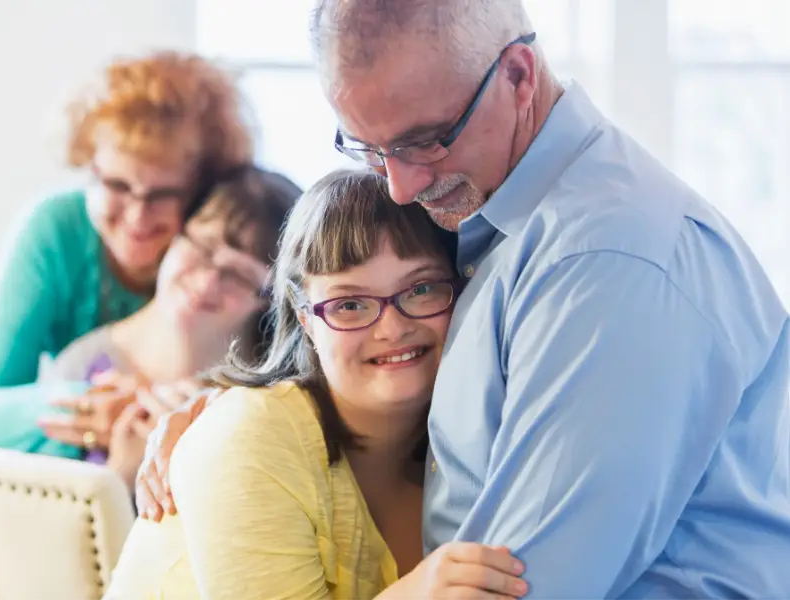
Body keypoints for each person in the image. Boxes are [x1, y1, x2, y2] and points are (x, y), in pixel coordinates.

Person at [138, 1, 790, 598]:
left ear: (518, 75)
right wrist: (242, 419)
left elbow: (519, 586)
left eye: (423, 140)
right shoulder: (487, 213)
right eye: (368, 147)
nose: (398, 185)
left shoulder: (599, 262)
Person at [104, 169, 528, 600]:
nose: (393, 327)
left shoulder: (474, 437)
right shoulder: (250, 437)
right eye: (349, 304)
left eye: (421, 289)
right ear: (307, 321)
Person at [0, 50, 252, 459]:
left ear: (201, 188)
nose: (137, 217)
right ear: (88, 166)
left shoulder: (216, 263)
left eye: (164, 194)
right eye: (117, 186)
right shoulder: (55, 229)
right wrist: (99, 400)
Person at [35, 167, 300, 490]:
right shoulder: (84, 367)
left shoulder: (273, 396)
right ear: (174, 237)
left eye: (238, 276)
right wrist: (123, 474)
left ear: (269, 299)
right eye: (202, 250)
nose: (206, 283)